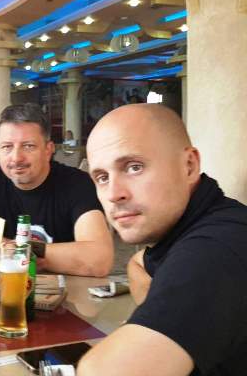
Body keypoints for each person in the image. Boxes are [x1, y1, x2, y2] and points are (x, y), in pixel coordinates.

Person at [78, 104, 247, 376]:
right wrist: (160, 314)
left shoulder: (220, 244)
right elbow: (138, 263)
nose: (113, 194)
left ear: (189, 166)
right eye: (102, 177)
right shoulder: (184, 230)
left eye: (134, 167)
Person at [0, 103, 113, 277]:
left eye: (28, 146)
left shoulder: (77, 184)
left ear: (48, 150)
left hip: (68, 290)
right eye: (7, 146)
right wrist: (27, 255)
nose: (16, 158)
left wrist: (10, 247)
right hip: (6, 287)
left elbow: (98, 260)